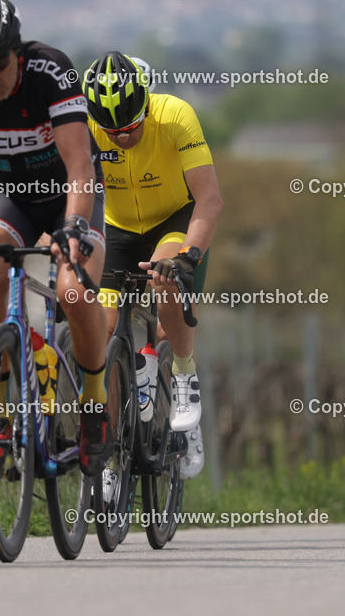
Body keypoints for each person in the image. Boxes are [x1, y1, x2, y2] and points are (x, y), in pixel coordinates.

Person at [0, 0, 112, 476]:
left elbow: (80, 165)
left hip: (69, 194)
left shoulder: (51, 71)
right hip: (8, 193)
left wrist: (74, 226)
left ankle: (94, 406)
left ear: (17, 51)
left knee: (74, 292)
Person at [82, 51, 223, 482]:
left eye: (131, 127)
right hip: (117, 228)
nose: (122, 137)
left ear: (146, 103)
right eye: (112, 132)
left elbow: (209, 199)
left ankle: (183, 377)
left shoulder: (176, 116)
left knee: (165, 295)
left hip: (174, 221)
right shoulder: (83, 125)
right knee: (101, 328)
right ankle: (110, 447)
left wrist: (188, 257)